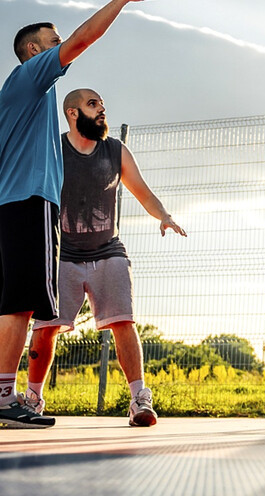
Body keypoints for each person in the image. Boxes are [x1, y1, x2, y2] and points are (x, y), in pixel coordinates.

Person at [0, 0, 159, 429]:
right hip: (27, 204)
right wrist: (122, 0)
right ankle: (7, 396)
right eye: (52, 42)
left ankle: (7, 392)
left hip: (18, 204)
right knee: (20, 307)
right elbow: (84, 38)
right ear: (35, 51)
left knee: (14, 304)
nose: (60, 45)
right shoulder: (30, 78)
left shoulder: (29, 101)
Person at [25, 89, 185, 427]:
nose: (101, 110)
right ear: (72, 113)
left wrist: (163, 215)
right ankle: (33, 399)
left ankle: (139, 400)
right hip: (61, 253)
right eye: (92, 105)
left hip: (107, 249)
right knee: (45, 329)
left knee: (123, 322)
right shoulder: (53, 150)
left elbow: (141, 189)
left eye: (102, 105)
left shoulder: (115, 150)